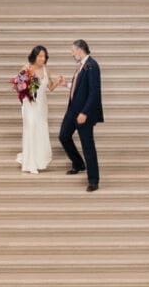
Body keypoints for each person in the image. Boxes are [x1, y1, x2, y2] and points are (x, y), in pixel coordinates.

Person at [59, 38, 104, 190]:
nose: (72, 54)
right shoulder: (81, 66)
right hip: (72, 110)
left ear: (79, 50)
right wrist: (67, 85)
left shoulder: (92, 66)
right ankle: (78, 163)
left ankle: (93, 180)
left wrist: (85, 112)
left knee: (88, 146)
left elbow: (94, 92)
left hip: (83, 113)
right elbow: (80, 88)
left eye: (72, 51)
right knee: (64, 136)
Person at [14, 45, 62, 176]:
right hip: (30, 105)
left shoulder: (46, 70)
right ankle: (30, 164)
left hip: (42, 106)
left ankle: (39, 160)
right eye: (40, 56)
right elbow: (18, 86)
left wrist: (57, 82)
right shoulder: (27, 68)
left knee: (40, 130)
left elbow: (50, 87)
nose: (42, 58)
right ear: (34, 56)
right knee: (31, 129)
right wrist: (25, 88)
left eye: (44, 56)